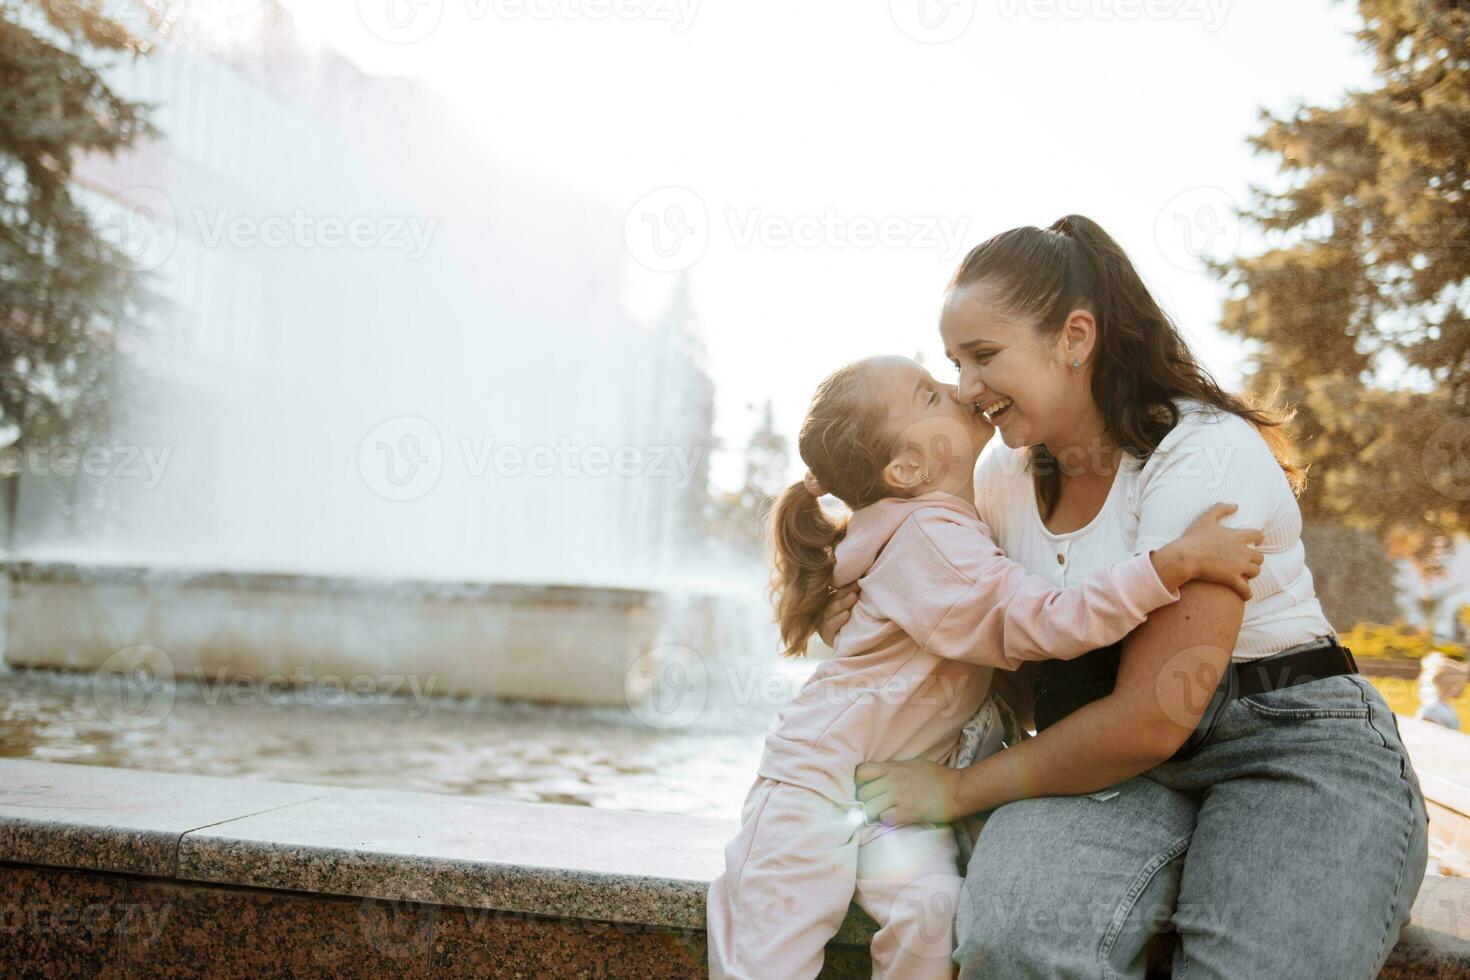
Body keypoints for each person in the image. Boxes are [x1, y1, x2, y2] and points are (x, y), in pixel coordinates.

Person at [835, 216, 1429, 979]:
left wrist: (953, 793)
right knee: (1011, 945)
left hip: (1285, 735)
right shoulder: (1002, 479)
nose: (963, 388)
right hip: (1107, 757)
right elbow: (995, 640)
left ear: (1074, 338)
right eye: (955, 362)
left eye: (984, 356)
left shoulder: (1203, 455)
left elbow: (1156, 714)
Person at [706, 353, 1265, 979]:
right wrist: (1172, 565)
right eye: (928, 394)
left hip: (891, 798)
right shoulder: (928, 538)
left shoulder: (945, 525)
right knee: (766, 953)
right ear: (909, 466)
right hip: (813, 785)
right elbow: (1049, 622)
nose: (958, 387)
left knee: (934, 911)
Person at [1416, 651, 1468, 730]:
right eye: (1458, 684)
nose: (1462, 688)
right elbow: (1428, 735)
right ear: (1447, 685)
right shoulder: (1433, 709)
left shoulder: (1445, 707)